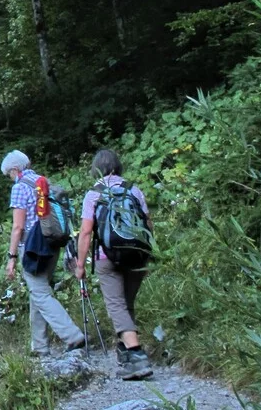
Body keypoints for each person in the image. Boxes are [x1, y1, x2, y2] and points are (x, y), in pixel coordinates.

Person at [75, 149, 153, 381]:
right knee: (126, 304)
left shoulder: (94, 194)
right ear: (118, 166)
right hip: (137, 254)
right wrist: (149, 253)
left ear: (95, 168)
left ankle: (137, 355)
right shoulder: (133, 190)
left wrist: (80, 264)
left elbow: (86, 232)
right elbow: (148, 224)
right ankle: (126, 355)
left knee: (116, 305)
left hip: (106, 257)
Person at [3, 150, 85, 356]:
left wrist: (11, 257)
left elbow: (18, 227)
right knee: (38, 292)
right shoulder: (43, 182)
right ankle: (39, 346)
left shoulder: (20, 187)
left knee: (40, 293)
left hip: (32, 247)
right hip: (51, 242)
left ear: (14, 169)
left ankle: (73, 336)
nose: (9, 179)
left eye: (8, 174)